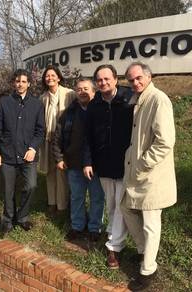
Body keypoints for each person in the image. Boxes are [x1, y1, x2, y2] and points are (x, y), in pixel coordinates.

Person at [121, 62, 177, 291]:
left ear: (148, 76)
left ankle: (148, 271)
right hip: (138, 173)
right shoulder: (139, 100)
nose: (135, 83)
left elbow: (165, 141)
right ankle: (144, 252)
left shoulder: (158, 99)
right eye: (131, 80)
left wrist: (142, 163)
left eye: (138, 78)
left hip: (152, 175)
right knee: (126, 207)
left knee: (151, 224)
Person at [83, 64, 134, 269]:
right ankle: (115, 238)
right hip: (103, 164)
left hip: (125, 163)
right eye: (99, 80)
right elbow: (88, 137)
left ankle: (114, 247)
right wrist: (87, 161)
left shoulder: (129, 100)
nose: (103, 82)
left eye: (107, 79)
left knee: (121, 206)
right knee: (111, 204)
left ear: (115, 79)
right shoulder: (94, 105)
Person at [0, 69, 45, 234]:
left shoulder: (37, 104)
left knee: (31, 186)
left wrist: (33, 148)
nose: (20, 84)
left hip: (28, 155)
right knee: (8, 190)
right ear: (13, 83)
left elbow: (40, 130)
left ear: (29, 83)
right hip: (7, 154)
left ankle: (22, 217)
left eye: (23, 81)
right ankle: (7, 220)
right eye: (17, 81)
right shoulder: (4, 102)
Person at [52, 78, 105, 241]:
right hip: (73, 164)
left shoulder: (101, 111)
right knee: (77, 197)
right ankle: (77, 226)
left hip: (96, 165)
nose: (82, 92)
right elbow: (57, 138)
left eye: (86, 89)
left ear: (94, 92)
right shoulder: (68, 113)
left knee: (97, 197)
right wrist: (59, 158)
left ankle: (95, 228)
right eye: (79, 89)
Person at [39, 65, 76, 214]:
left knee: (62, 172)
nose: (50, 78)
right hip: (48, 139)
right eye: (47, 76)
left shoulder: (69, 94)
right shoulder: (43, 98)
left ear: (59, 77)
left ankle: (62, 205)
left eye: (53, 75)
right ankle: (52, 202)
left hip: (63, 140)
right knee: (50, 172)